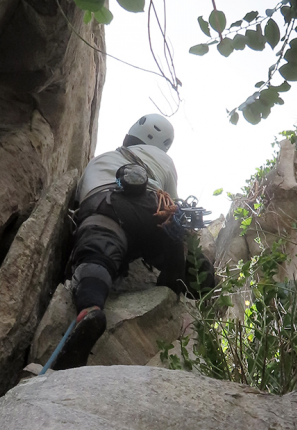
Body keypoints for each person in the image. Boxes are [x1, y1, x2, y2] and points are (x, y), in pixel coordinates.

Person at [53, 114, 212, 370]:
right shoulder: (164, 159)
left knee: (98, 254)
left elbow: (79, 198)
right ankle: (175, 281)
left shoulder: (99, 160)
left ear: (128, 138)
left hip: (105, 205)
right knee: (176, 241)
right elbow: (173, 202)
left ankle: (90, 309)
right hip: (152, 207)